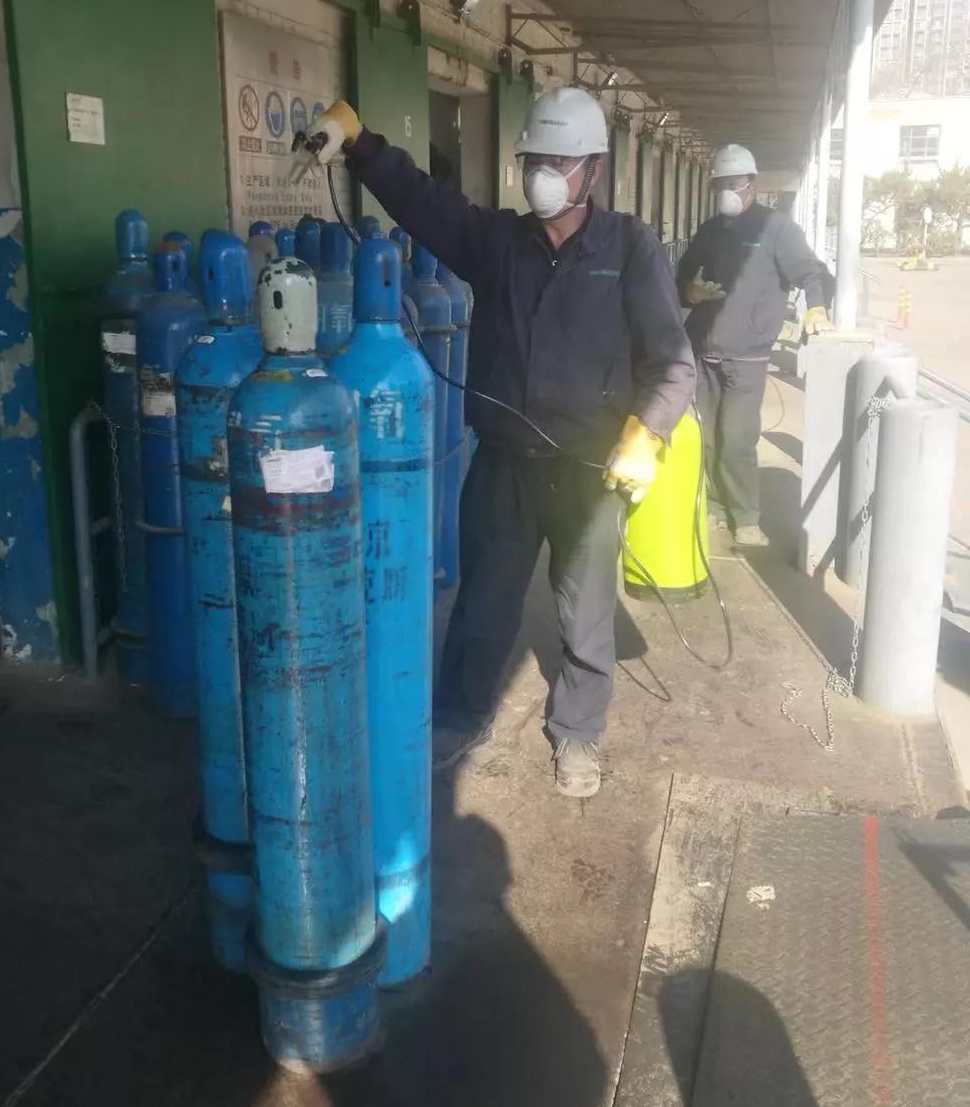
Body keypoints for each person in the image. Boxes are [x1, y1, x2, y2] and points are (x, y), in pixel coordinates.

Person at [305, 88, 695, 799]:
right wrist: (360, 145)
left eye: (559, 161)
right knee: (484, 597)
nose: (543, 173)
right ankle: (461, 714)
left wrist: (647, 432)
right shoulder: (499, 242)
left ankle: (578, 731)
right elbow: (423, 202)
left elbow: (672, 361)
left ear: (594, 170)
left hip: (591, 467)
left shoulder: (630, 247)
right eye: (534, 159)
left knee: (585, 609)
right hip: (506, 460)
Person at [676, 144, 831, 548]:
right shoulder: (710, 230)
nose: (727, 190)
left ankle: (745, 515)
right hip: (702, 350)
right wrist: (690, 292)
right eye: (721, 184)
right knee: (706, 437)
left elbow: (812, 272)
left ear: (752, 185)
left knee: (737, 438)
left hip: (747, 356)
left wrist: (817, 308)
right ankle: (713, 505)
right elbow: (682, 274)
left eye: (735, 183)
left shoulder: (775, 229)